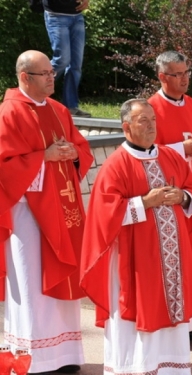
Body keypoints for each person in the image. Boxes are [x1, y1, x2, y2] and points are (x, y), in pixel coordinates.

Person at [80, 98, 192, 375]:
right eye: (142, 121)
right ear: (126, 127)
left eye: (153, 120)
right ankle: (134, 368)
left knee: (171, 317)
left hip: (171, 261)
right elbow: (103, 214)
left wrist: (182, 196)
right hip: (134, 261)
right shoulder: (116, 165)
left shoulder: (171, 157)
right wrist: (144, 203)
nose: (150, 126)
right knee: (136, 319)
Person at [0, 50, 93, 373]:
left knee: (63, 278)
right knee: (31, 283)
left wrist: (72, 153)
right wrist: (45, 157)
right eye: (45, 73)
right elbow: (5, 166)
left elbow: (82, 149)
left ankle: (64, 355)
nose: (53, 77)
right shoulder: (9, 113)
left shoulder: (58, 109)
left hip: (63, 209)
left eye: (52, 72)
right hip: (28, 215)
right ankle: (33, 358)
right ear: (25, 77)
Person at [148, 51, 192, 344]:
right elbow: (147, 149)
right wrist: (182, 148)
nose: (185, 78)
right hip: (170, 197)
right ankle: (175, 319)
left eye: (187, 72)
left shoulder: (191, 104)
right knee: (175, 257)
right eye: (177, 74)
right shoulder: (150, 109)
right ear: (162, 77)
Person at [43, 0, 91, 117]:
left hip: (77, 16)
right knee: (62, 60)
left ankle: (70, 107)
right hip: (56, 15)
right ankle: (33, 94)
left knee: (76, 65)